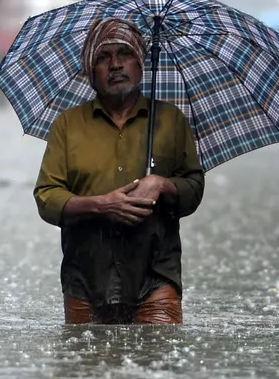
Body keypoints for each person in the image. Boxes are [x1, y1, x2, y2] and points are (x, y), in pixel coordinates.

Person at [34, 18, 205, 325]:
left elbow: (193, 188)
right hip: (85, 279)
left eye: (125, 54)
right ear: (90, 71)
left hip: (155, 277)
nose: (115, 65)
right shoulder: (68, 125)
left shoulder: (170, 120)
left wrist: (162, 184)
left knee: (158, 364)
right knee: (86, 368)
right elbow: (47, 198)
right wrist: (101, 205)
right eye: (103, 57)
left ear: (141, 64)